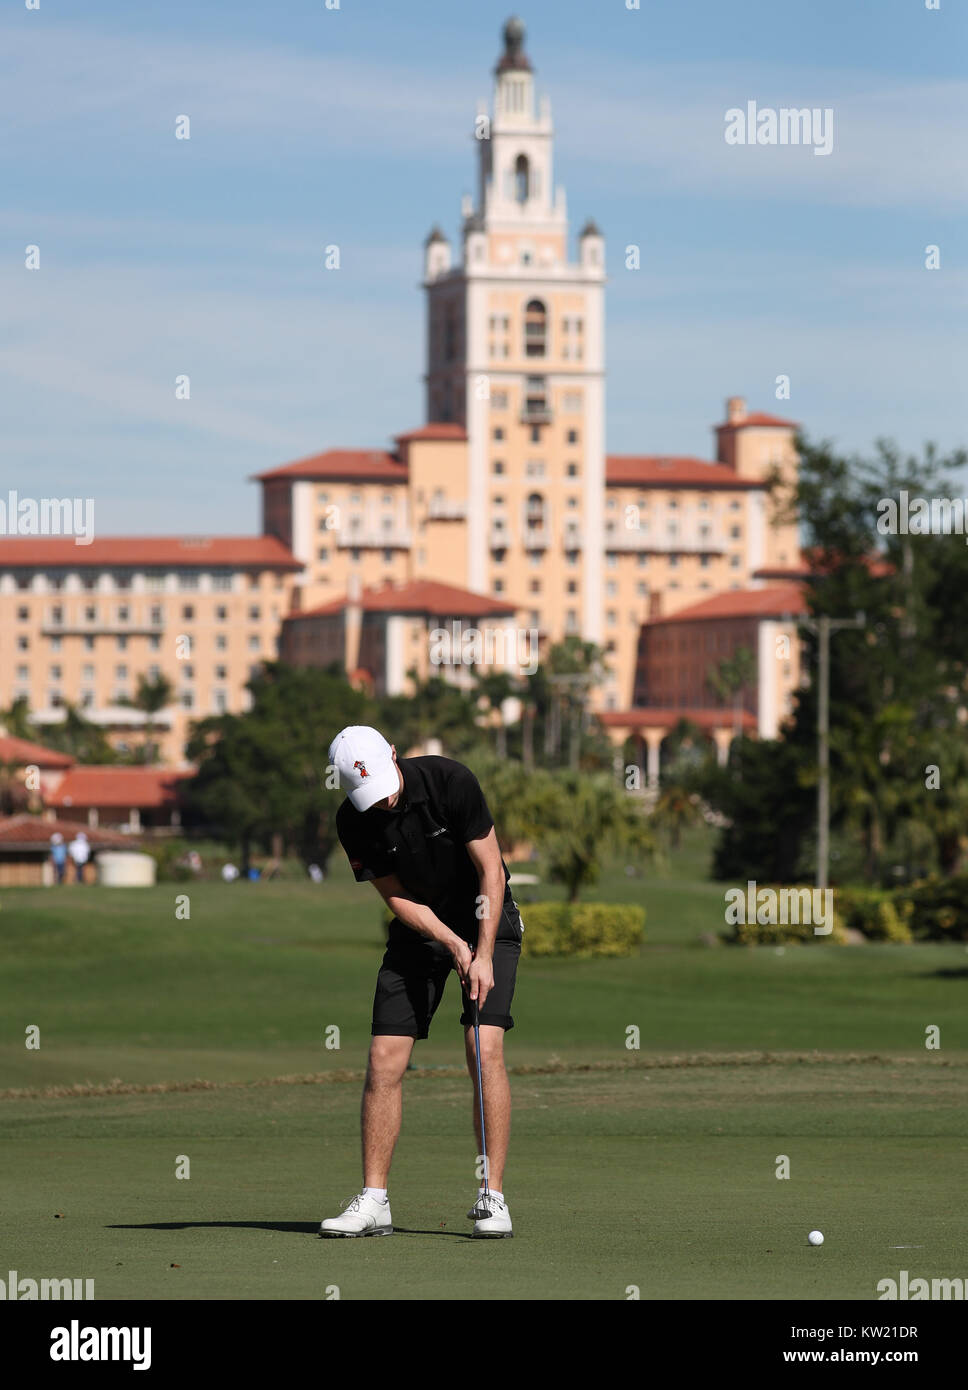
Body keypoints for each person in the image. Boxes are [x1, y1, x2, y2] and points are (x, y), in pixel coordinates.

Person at [319, 725, 523, 1240]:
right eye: (368, 797)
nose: (383, 802)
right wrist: (452, 945)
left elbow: (491, 872)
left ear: (394, 754)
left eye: (385, 786)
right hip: (422, 931)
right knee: (383, 1058)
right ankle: (374, 1200)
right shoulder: (354, 820)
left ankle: (492, 1196)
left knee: (482, 1044)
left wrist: (479, 949)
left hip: (488, 919)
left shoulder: (449, 780)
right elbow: (397, 897)